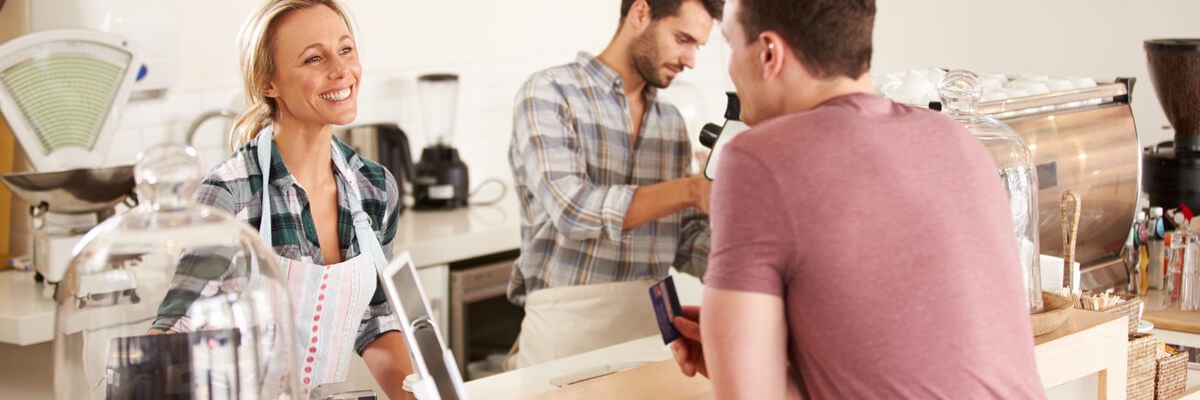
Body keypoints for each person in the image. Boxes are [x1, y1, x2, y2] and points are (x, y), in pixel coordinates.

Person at [669, 0, 1047, 398]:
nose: (728, 67)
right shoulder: (957, 141)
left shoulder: (755, 159)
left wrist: (741, 363)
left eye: (730, 43)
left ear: (768, 53)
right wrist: (746, 356)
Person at [154, 1, 413, 398]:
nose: (341, 70)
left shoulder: (373, 188)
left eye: (345, 50)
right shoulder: (232, 192)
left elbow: (375, 319)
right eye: (314, 58)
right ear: (268, 84)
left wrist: (418, 393)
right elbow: (177, 327)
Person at [507, 0, 723, 368]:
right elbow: (572, 210)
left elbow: (682, 236)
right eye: (682, 39)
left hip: (653, 335)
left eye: (697, 47)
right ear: (640, 13)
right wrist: (691, 189)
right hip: (566, 337)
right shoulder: (549, 92)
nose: (690, 61)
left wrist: (757, 264)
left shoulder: (670, 121)